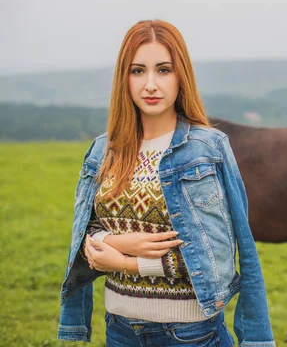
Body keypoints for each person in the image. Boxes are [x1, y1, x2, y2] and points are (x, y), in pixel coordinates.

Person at [57, 19, 275, 346]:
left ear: (180, 76)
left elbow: (215, 256)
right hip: (119, 330)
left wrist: (125, 262)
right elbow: (85, 237)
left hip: (190, 335)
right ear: (124, 79)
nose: (150, 85)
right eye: (137, 71)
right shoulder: (104, 150)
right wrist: (120, 242)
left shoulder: (207, 149)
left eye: (163, 70)